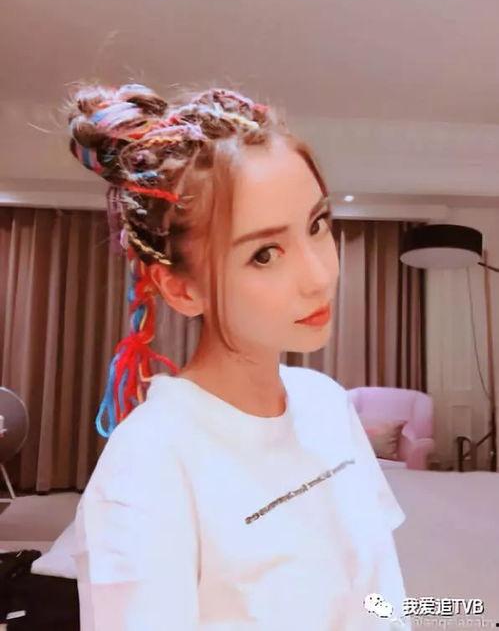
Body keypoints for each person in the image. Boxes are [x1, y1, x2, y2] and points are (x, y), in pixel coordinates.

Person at [66, 83, 411, 630]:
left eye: (317, 225)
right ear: (180, 289)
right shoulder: (150, 465)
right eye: (265, 254)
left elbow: (379, 593)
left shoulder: (326, 403)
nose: (319, 276)